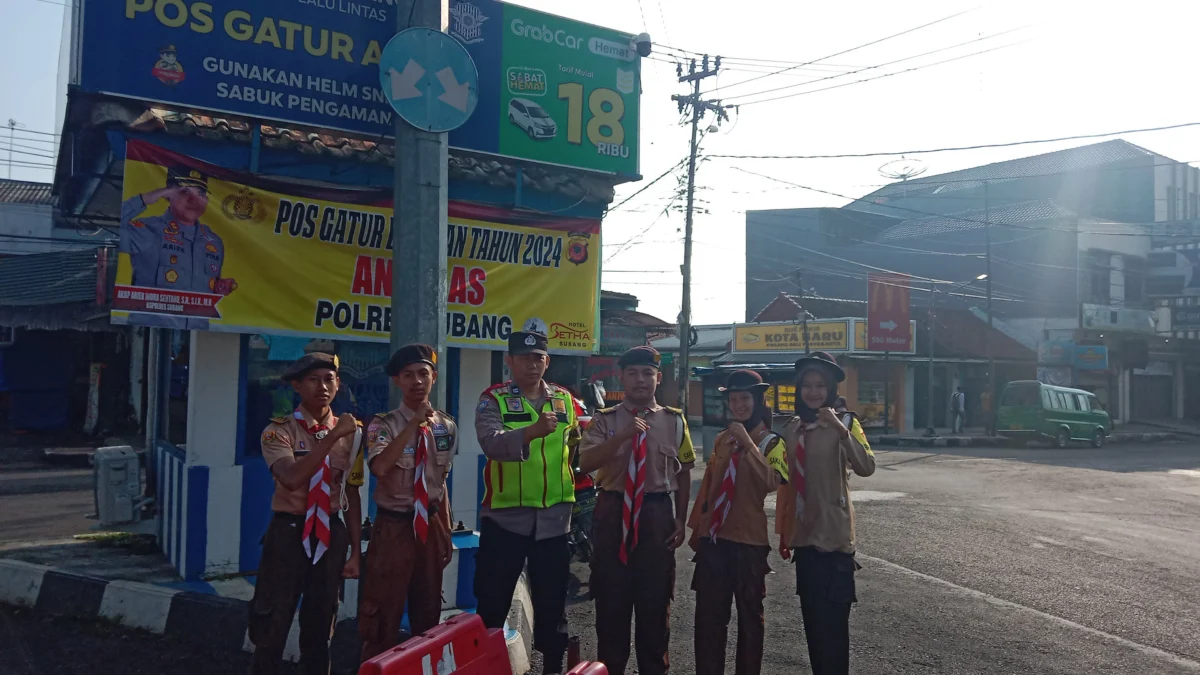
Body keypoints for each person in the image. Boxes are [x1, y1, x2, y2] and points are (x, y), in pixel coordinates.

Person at [578, 346, 695, 675]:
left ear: (658, 378)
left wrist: (681, 520)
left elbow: (685, 469)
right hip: (613, 513)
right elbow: (585, 462)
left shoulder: (674, 421)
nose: (640, 380)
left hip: (656, 515)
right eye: (633, 373)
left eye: (647, 373)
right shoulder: (605, 420)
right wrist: (623, 436)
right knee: (611, 606)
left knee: (655, 607)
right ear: (621, 378)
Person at [474, 331, 582, 675]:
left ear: (546, 361)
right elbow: (490, 443)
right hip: (506, 520)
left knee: (553, 606)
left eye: (538, 358)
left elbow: (580, 445)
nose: (532, 364)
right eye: (524, 358)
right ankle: (486, 667)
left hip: (554, 521)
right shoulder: (494, 399)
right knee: (491, 604)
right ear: (509, 362)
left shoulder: (565, 400)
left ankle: (551, 667)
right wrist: (532, 431)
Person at [250, 352, 364, 675]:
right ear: (297, 385)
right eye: (313, 380)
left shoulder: (352, 435)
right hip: (288, 533)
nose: (323, 387)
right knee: (273, 619)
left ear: (339, 384)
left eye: (330, 380)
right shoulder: (278, 432)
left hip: (330, 531)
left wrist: (356, 551)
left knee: (321, 622)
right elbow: (292, 477)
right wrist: (331, 437)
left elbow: (351, 494)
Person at [776, 352, 875, 675]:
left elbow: (866, 466)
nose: (814, 391)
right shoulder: (792, 430)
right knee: (814, 631)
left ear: (831, 389)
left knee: (834, 633)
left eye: (820, 385)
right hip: (804, 540)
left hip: (834, 543)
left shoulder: (847, 423)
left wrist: (840, 429)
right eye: (807, 385)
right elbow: (778, 477)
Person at [358, 344, 457, 663]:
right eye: (408, 375)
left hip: (430, 526)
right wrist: (413, 424)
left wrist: (447, 530)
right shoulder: (380, 426)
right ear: (397, 381)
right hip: (393, 529)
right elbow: (380, 468)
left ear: (434, 377)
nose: (417, 381)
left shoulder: (446, 426)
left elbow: (439, 483)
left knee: (428, 615)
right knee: (381, 617)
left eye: (423, 374)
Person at [686, 369, 787, 675]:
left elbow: (774, 481)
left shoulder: (772, 442)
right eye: (733, 399)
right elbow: (710, 487)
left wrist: (749, 445)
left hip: (749, 542)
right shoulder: (722, 439)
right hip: (716, 540)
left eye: (746, 398)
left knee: (750, 621)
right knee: (708, 620)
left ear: (759, 400)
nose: (740, 405)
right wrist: (699, 530)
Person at [120, 166, 236, 328]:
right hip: (152, 333)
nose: (193, 200)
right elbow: (111, 226)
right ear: (168, 196)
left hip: (197, 336)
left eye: (200, 194)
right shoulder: (149, 230)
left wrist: (219, 289)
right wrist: (147, 198)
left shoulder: (213, 242)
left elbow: (206, 291)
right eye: (185, 192)